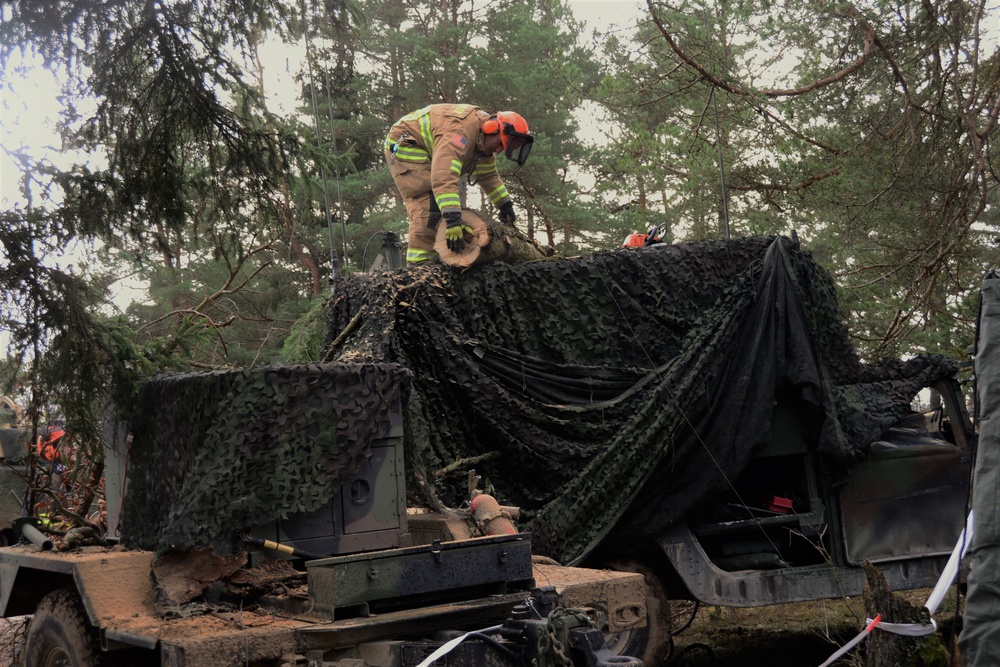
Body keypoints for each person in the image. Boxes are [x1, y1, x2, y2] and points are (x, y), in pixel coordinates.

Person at [384, 103, 534, 263]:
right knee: (427, 204)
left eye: (502, 148)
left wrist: (505, 206)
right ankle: (419, 266)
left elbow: (488, 175)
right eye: (498, 144)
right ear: (491, 128)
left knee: (442, 204)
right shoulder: (459, 134)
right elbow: (444, 175)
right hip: (404, 143)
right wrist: (453, 219)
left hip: (426, 146)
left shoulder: (482, 141)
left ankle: (436, 261)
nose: (498, 150)